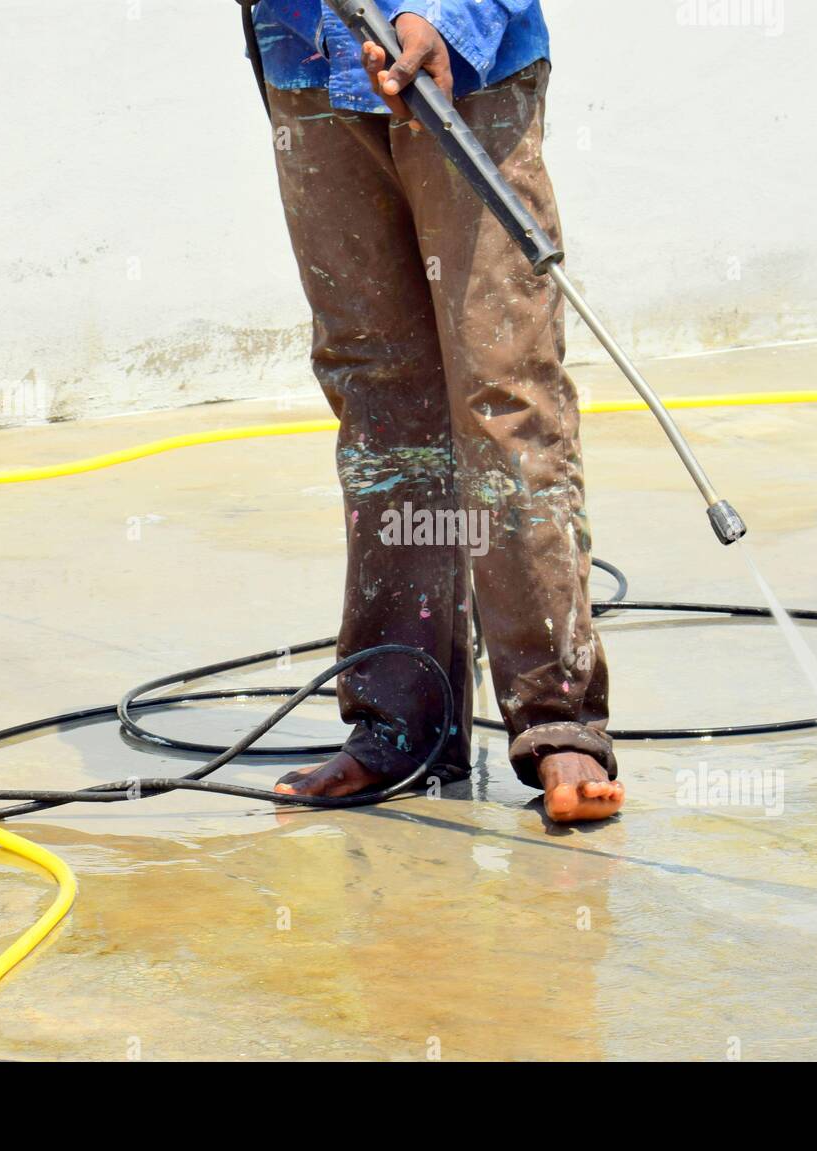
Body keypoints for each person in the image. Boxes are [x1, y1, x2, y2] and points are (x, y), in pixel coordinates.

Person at [248, 1, 623, 823]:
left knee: (502, 386)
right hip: (305, 61)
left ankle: (559, 719)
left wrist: (447, 16)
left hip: (462, 68)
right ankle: (399, 721)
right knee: (381, 396)